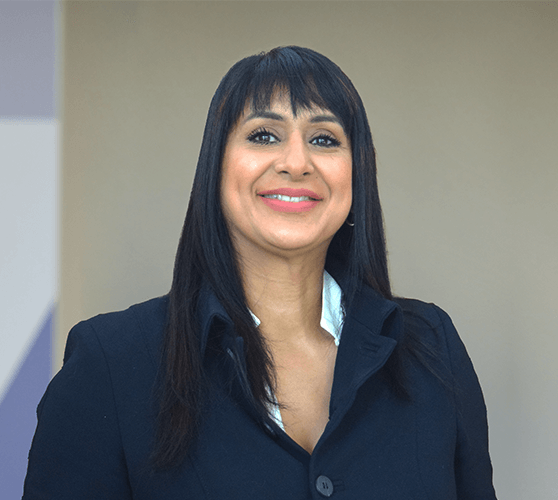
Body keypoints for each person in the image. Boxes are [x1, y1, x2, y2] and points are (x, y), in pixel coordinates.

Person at [23, 46, 496, 499]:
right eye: (263, 135)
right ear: (216, 167)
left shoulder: (432, 348)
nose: (296, 162)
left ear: (357, 175)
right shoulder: (110, 364)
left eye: (325, 139)